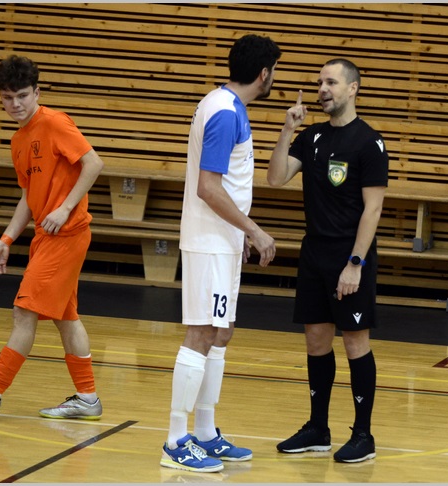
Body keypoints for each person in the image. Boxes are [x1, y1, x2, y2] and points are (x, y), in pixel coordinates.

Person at [0, 55, 105, 421]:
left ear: (37, 92)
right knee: (67, 318)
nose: (15, 104)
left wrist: (65, 208)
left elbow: (94, 164)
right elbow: (28, 197)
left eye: (21, 95)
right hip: (46, 237)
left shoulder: (54, 122)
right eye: (7, 97)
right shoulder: (18, 140)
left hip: (67, 234)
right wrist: (7, 239)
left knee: (23, 311)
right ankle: (87, 399)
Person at [159, 34, 281, 473]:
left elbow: (226, 185)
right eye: (274, 72)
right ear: (263, 73)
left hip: (223, 240)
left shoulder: (225, 104)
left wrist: (238, 232)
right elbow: (208, 187)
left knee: (221, 332)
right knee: (201, 333)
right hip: (209, 242)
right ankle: (175, 440)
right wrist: (255, 231)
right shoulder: (225, 112)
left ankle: (206, 433)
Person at [267, 58, 388, 463]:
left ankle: (363, 435)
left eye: (331, 82)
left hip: (348, 254)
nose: (322, 89)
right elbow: (275, 178)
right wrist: (288, 130)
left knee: (354, 341)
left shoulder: (369, 142)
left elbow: (373, 209)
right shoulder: (312, 137)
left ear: (353, 89)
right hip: (314, 252)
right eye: (320, 82)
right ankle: (318, 428)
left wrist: (355, 263)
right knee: (316, 340)